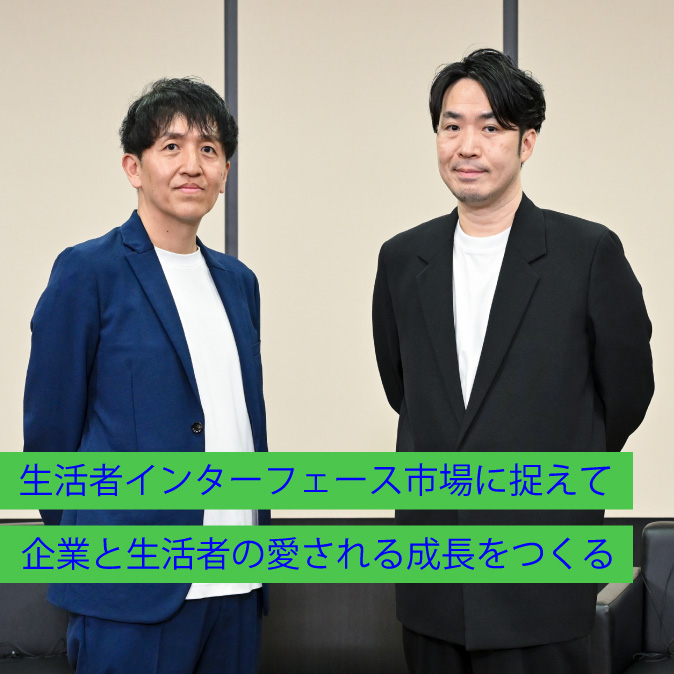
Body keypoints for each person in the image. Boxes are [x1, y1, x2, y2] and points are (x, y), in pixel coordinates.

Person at [372, 48, 654, 674]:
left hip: (543, 572)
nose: (467, 146)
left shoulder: (587, 252)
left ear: (526, 143)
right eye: (451, 126)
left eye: (491, 127)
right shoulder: (402, 259)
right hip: (432, 578)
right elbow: (404, 389)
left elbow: (627, 393)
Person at [23, 78, 267, 674]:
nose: (193, 165)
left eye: (209, 149)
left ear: (225, 172)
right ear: (133, 167)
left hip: (237, 586)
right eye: (172, 146)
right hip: (128, 593)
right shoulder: (88, 271)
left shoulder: (239, 283)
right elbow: (49, 436)